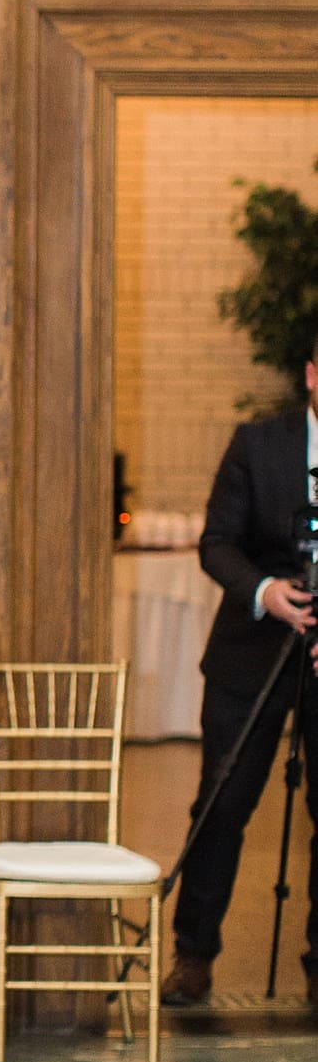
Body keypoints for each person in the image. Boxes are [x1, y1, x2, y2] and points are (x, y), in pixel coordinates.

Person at [162, 350, 318, 1011]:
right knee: (222, 803)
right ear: (310, 373)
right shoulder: (257, 444)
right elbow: (216, 541)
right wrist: (265, 591)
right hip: (249, 650)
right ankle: (192, 954)